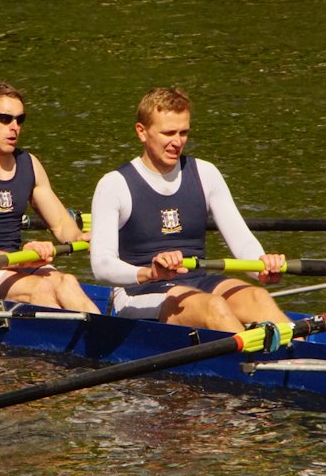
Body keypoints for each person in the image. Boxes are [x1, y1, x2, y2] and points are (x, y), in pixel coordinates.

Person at [90, 87, 289, 332]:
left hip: (198, 279)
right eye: (168, 133)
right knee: (213, 307)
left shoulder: (205, 173)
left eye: (184, 132)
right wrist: (150, 272)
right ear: (141, 132)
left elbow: (242, 241)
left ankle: (301, 362)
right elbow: (101, 266)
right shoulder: (114, 184)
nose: (178, 142)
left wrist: (262, 268)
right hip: (138, 291)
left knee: (259, 298)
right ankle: (260, 366)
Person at [0, 81, 100, 313]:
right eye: (5, 118)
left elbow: (62, 225)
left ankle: (104, 339)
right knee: (40, 289)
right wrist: (17, 259)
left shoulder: (29, 164)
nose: (14, 127)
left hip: (14, 265)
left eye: (19, 119)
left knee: (67, 282)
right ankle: (65, 344)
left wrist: (82, 237)